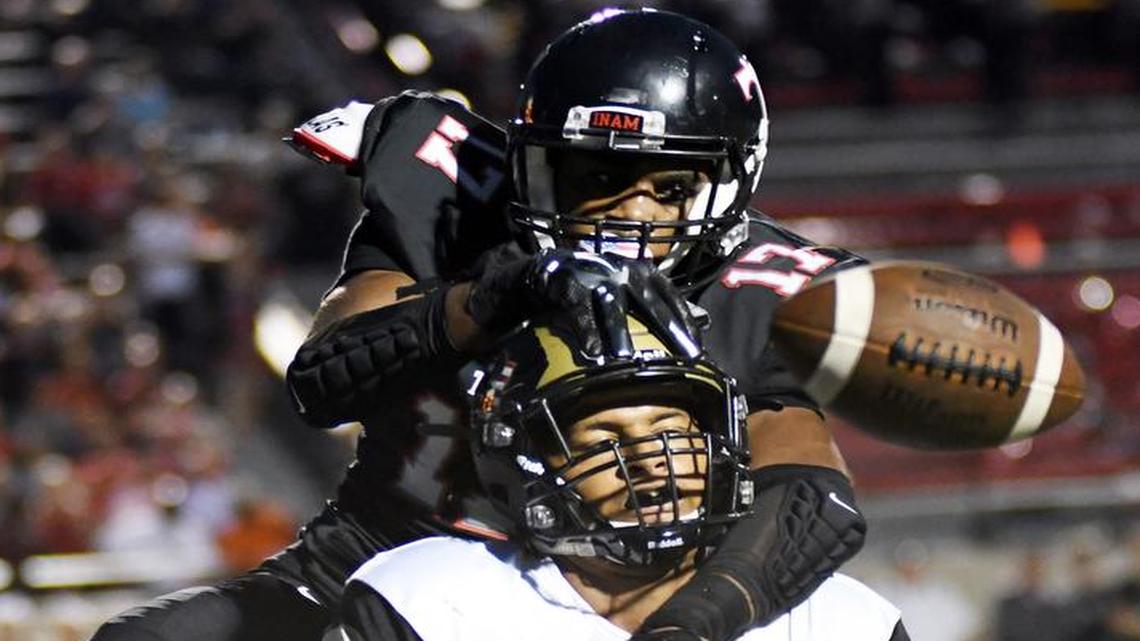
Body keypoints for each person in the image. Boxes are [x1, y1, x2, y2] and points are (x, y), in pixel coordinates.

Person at [93, 9, 867, 641]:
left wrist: (692, 624)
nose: (627, 215)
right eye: (594, 177)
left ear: (732, 183)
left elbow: (812, 500)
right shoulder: (459, 197)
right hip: (372, 562)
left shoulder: (775, 287)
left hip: (607, 598)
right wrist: (490, 298)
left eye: (667, 187)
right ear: (532, 161)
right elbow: (324, 378)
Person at [340, 316, 907, 641]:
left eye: (671, 428)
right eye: (606, 439)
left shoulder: (843, 622)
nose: (650, 460)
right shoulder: (430, 601)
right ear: (529, 462)